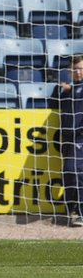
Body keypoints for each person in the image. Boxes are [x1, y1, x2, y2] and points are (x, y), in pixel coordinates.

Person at [49, 55, 83, 227]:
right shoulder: (70, 90)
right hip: (68, 138)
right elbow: (52, 104)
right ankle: (71, 209)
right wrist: (59, 89)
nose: (78, 72)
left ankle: (79, 212)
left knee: (75, 172)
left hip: (80, 137)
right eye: (75, 69)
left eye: (81, 68)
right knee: (69, 173)